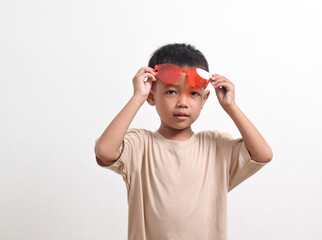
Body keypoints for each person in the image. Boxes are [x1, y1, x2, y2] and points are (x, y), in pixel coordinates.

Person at [94, 43, 273, 240]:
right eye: (171, 91)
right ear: (152, 95)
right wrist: (138, 96)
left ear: (204, 99)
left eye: (194, 93)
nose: (183, 102)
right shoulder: (140, 145)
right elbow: (104, 150)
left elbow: (262, 155)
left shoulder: (215, 146)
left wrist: (231, 106)